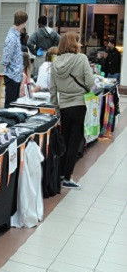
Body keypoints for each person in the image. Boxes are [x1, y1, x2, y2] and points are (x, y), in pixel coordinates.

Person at [49, 32, 94, 189]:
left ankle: (60, 173)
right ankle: (67, 177)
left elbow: (52, 88)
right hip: (79, 104)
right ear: (74, 43)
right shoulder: (81, 59)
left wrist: (56, 108)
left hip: (64, 106)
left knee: (65, 140)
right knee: (74, 142)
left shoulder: (55, 62)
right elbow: (90, 82)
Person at [1, 11, 29, 108]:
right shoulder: (12, 37)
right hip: (12, 75)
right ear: (24, 22)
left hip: (15, 74)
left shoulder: (15, 35)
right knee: (10, 104)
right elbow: (6, 58)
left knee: (13, 103)